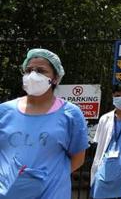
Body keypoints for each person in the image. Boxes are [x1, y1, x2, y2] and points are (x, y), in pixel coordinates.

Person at [0, 48, 89, 198]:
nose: (33, 75)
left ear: (55, 78)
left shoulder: (70, 114)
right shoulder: (4, 111)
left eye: (41, 71)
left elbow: (78, 158)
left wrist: (51, 176)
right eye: (28, 70)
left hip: (51, 193)